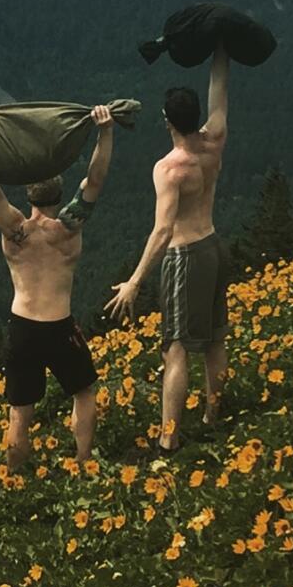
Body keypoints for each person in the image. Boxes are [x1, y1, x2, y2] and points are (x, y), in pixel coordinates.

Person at [0, 104, 115, 469]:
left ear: (28, 197)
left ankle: (15, 478)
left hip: (23, 326)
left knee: (19, 412)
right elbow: (95, 180)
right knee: (84, 393)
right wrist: (105, 132)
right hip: (60, 325)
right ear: (60, 195)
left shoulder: (15, 230)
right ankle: (83, 462)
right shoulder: (69, 229)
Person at [106, 48, 231, 453]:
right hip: (213, 244)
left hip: (185, 257)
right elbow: (221, 93)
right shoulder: (215, 142)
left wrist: (135, 281)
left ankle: (169, 438)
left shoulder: (169, 168)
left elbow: (162, 231)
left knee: (176, 348)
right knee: (214, 340)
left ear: (166, 122)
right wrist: (219, 53)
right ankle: (214, 415)